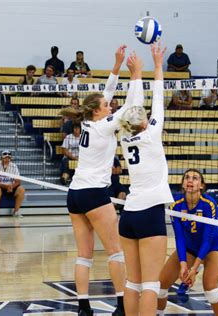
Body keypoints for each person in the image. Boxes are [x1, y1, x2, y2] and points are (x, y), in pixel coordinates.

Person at [63, 45, 129, 316]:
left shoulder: (91, 122)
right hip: (93, 194)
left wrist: (116, 64)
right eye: (106, 105)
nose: (109, 103)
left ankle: (83, 307)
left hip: (75, 194)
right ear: (97, 112)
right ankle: (123, 305)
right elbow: (129, 108)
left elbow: (108, 92)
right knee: (115, 251)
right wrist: (135, 76)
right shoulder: (104, 124)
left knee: (84, 254)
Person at [118, 43, 173, 316]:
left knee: (133, 281)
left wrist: (136, 74)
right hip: (150, 213)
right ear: (144, 122)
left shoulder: (124, 137)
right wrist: (157, 64)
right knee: (151, 284)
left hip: (128, 215)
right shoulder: (151, 133)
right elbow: (158, 100)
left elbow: (132, 106)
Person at [158, 169, 218, 316]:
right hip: (189, 247)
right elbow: (179, 237)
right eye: (187, 177)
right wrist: (183, 264)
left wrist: (194, 269)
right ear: (183, 184)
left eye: (195, 178)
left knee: (211, 291)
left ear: (201, 185)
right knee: (161, 287)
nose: (190, 180)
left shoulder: (209, 204)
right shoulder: (175, 205)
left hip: (213, 247)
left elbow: (208, 239)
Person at [0, 150, 26, 218]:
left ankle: (16, 212)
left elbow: (18, 181)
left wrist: (11, 186)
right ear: (1, 158)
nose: (7, 159)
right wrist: (6, 187)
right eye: (5, 158)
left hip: (9, 187)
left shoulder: (14, 166)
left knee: (21, 189)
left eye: (8, 158)